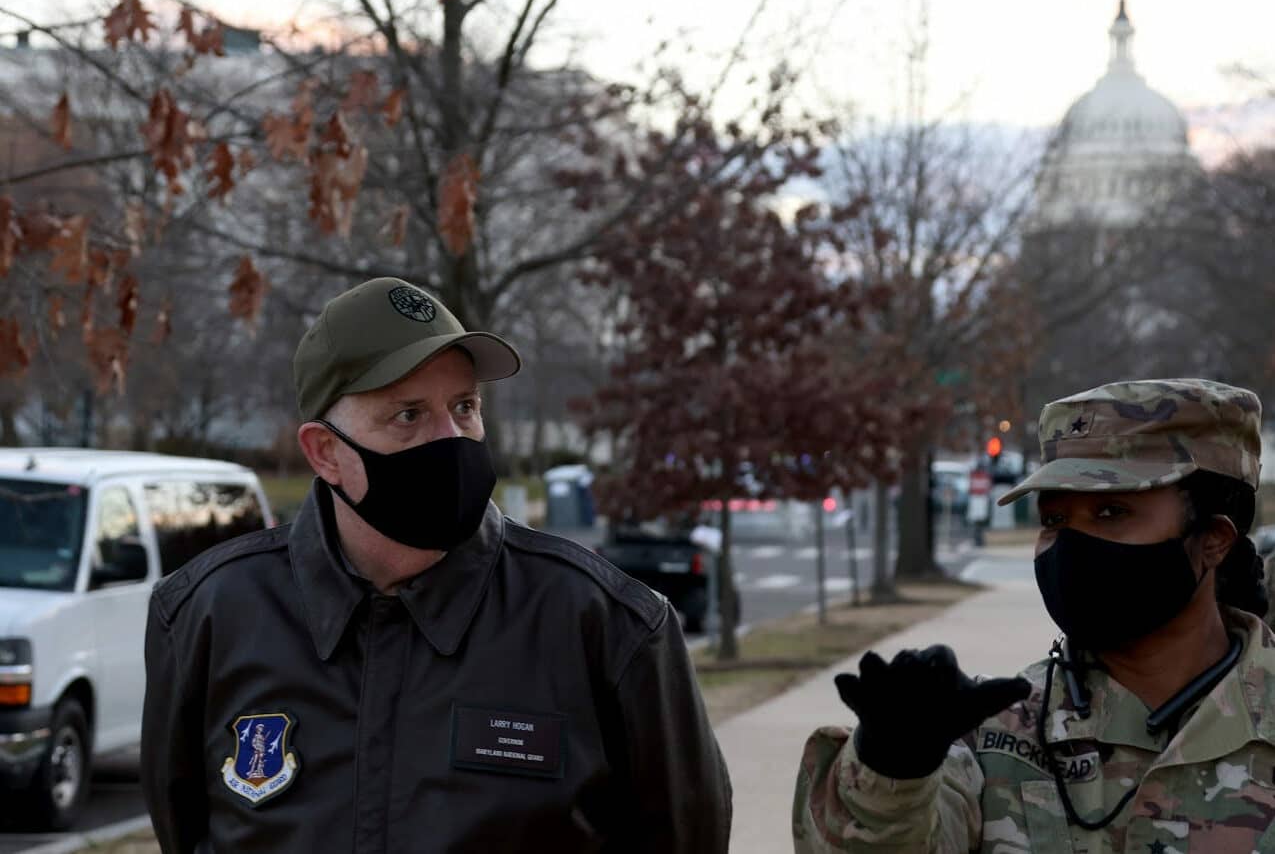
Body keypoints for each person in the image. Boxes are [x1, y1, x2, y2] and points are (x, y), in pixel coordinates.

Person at [140, 277, 731, 853]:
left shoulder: (609, 626)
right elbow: (184, 827)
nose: (451, 440)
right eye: (408, 416)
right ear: (325, 453)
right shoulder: (206, 615)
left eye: (464, 407)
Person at [792, 378, 1275, 853]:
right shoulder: (993, 738)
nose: (1071, 546)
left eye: (1110, 512)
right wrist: (891, 768)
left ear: (1214, 539)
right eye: (1054, 520)